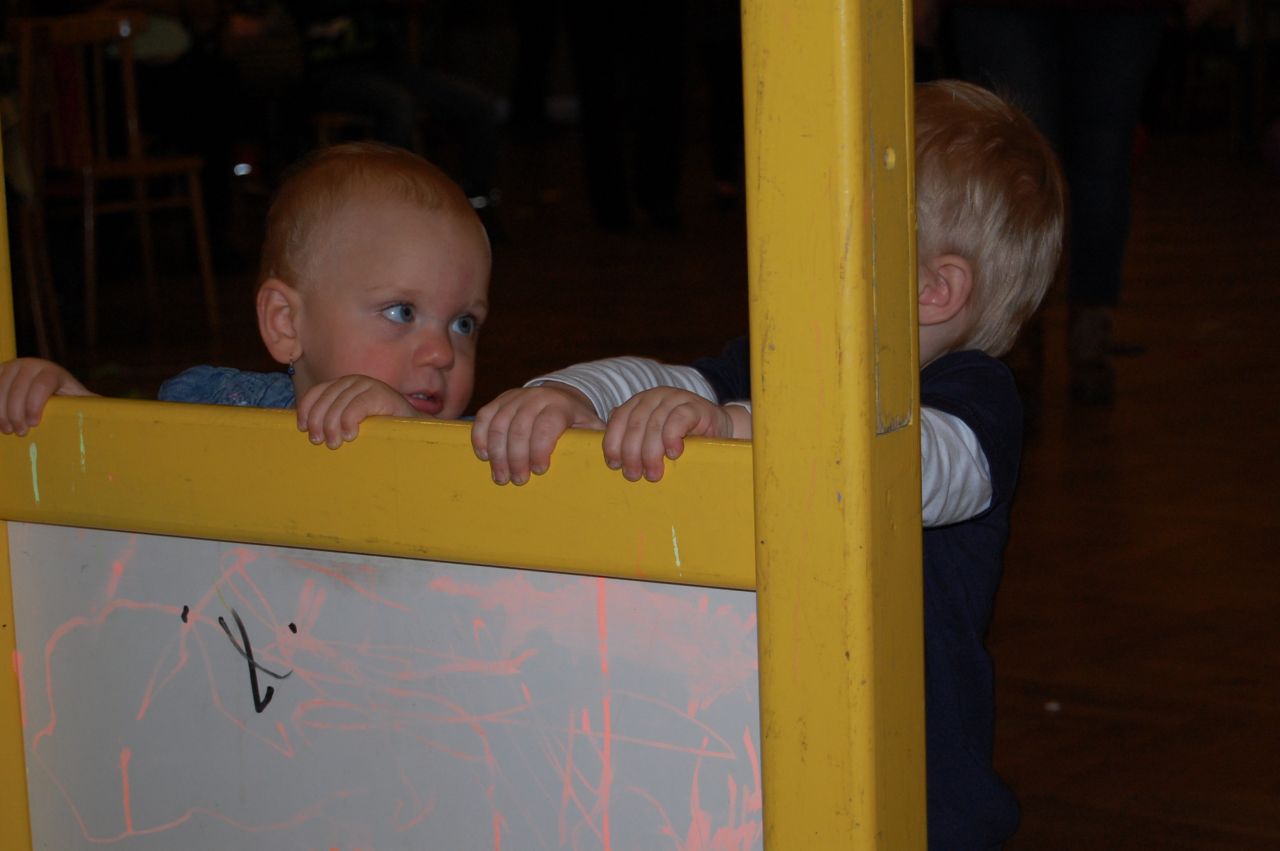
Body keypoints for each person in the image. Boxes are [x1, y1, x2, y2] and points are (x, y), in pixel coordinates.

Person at [470, 80, 1066, 848]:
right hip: (767, 770)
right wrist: (569, 396)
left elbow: (902, 461)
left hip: (916, 799)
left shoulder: (973, 400)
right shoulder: (783, 359)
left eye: (820, 229)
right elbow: (670, 378)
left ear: (934, 289)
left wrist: (744, 425)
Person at [0, 142, 491, 449]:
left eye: (463, 323)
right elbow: (127, 476)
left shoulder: (477, 452)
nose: (442, 353)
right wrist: (65, 412)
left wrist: (415, 443)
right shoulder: (219, 408)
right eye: (402, 311)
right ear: (286, 324)